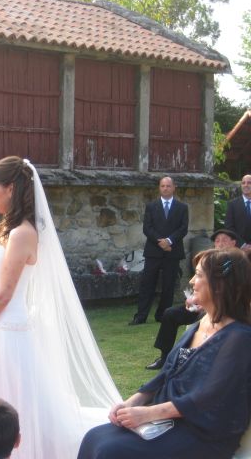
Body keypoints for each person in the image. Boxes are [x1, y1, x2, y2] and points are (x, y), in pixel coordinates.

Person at [0, 156, 121, 458]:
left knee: (12, 401)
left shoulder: (23, 233)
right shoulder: (6, 229)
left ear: (11, 188)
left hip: (7, 333)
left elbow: (3, 294)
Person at [79, 247, 251, 459]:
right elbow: (168, 371)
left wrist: (147, 413)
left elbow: (208, 397)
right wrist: (133, 401)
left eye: (197, 275)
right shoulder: (203, 322)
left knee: (110, 451)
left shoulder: (240, 337)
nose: (191, 282)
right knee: (93, 437)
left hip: (203, 433)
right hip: (170, 419)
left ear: (219, 286)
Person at [145, 228, 240, 370]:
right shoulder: (207, 260)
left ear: (234, 242)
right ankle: (165, 358)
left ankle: (194, 360)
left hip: (224, 310)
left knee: (201, 323)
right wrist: (194, 298)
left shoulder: (240, 264)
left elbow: (238, 292)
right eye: (217, 240)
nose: (220, 244)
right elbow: (195, 282)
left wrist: (208, 303)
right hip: (202, 306)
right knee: (170, 314)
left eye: (224, 240)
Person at [130, 177, 188, 325]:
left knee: (168, 285)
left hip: (172, 251)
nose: (165, 188)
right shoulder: (151, 206)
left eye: (168, 186)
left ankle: (163, 315)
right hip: (154, 251)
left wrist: (169, 241)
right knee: (147, 284)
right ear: (159, 188)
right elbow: (147, 228)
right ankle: (141, 316)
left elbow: (183, 228)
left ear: (174, 187)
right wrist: (161, 242)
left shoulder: (182, 207)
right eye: (162, 186)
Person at [224, 174, 251, 251]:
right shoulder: (232, 204)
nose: (246, 185)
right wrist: (242, 244)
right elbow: (229, 227)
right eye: (243, 183)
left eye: (249, 183)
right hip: (238, 249)